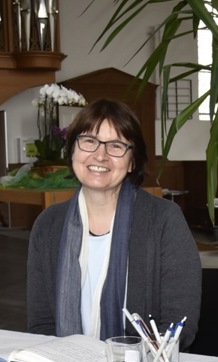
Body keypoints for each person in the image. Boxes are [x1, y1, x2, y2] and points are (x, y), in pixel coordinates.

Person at [26, 98, 201, 349]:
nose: (100, 155)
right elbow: (41, 324)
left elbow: (178, 324)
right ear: (72, 151)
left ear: (131, 161)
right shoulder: (48, 225)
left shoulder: (164, 219)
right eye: (89, 141)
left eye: (116, 145)